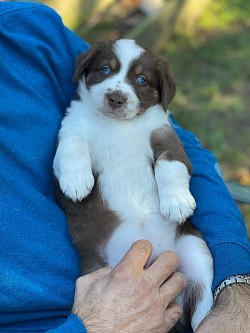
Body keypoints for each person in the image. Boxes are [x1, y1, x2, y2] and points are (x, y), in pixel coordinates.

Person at [0, 2, 249, 333]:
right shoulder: (79, 122)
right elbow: (72, 149)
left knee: (194, 250)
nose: (117, 91)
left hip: (177, 253)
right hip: (100, 269)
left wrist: (235, 289)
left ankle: (203, 313)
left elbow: (185, 151)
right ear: (85, 72)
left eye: (141, 79)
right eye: (105, 71)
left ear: (161, 93)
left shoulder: (23, 29)